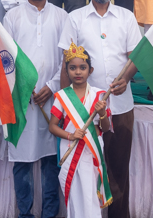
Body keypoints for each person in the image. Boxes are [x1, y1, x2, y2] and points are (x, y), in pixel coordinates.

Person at [59, 0, 142, 218]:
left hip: (120, 107)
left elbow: (136, 57)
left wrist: (126, 78)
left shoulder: (126, 17)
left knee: (118, 169)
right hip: (86, 111)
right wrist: (68, 106)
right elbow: (66, 62)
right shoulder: (75, 18)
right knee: (87, 169)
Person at [4, 0, 69, 218]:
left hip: (52, 99)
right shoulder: (13, 16)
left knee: (50, 161)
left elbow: (67, 59)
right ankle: (25, 214)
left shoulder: (62, 17)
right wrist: (23, 85)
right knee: (22, 162)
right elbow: (6, 58)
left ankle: (50, 214)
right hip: (22, 100)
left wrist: (51, 86)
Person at [49, 43, 112, 218]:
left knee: (90, 192)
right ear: (67, 71)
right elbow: (52, 126)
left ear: (90, 71)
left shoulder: (99, 95)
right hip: (70, 148)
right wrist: (70, 135)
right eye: (73, 68)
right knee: (74, 193)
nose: (78, 72)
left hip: (91, 152)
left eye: (82, 68)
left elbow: (105, 128)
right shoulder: (62, 96)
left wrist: (102, 114)